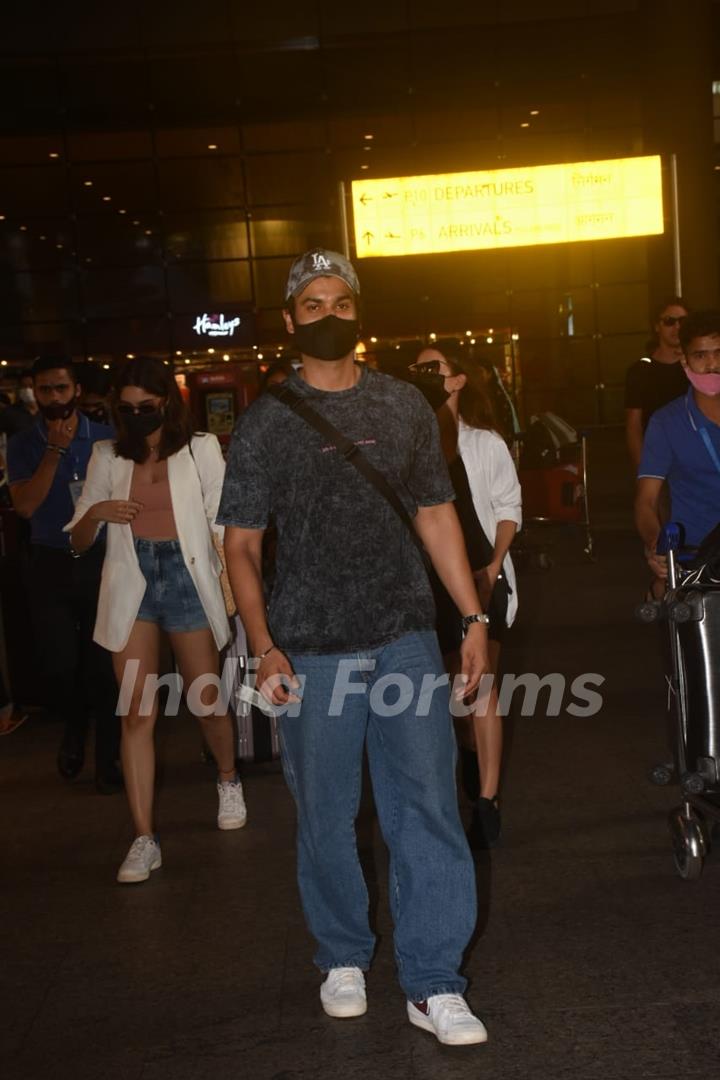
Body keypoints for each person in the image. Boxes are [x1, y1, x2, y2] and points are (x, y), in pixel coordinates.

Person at [220, 248, 491, 1047]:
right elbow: (239, 544)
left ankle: (434, 981)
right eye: (313, 305)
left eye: (342, 303)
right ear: (291, 319)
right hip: (311, 648)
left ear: (359, 311)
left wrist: (472, 621)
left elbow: (437, 514)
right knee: (327, 814)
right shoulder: (268, 420)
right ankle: (342, 955)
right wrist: (264, 647)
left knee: (429, 810)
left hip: (406, 633)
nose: (330, 316)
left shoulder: (405, 404)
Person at [66, 356, 245, 883]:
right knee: (136, 712)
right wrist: (96, 514)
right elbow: (76, 539)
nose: (137, 415)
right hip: (133, 582)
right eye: (126, 409)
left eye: (146, 406)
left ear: (166, 402)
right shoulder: (106, 455)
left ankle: (228, 778)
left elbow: (226, 523)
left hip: (189, 579)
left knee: (206, 700)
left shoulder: (201, 449)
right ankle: (144, 837)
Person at [410, 344, 521, 849]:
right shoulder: (410, 445)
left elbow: (508, 507)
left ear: (457, 381)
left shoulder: (484, 442)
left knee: (482, 688)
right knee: (451, 695)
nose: (423, 375)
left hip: (480, 575)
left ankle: (489, 798)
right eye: (417, 369)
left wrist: (495, 566)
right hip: (429, 580)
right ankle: (471, 771)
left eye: (433, 368)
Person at [7, 355, 121, 791]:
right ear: (34, 392)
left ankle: (108, 761)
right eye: (45, 389)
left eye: (61, 388)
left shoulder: (106, 439)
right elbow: (25, 506)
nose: (54, 397)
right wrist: (54, 451)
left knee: (104, 666)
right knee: (59, 665)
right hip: (49, 561)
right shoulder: (22, 443)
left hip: (100, 559)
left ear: (76, 389)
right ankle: (74, 724)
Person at [635, 310, 720, 577]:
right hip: (695, 557)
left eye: (719, 352)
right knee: (669, 601)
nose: (712, 364)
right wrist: (656, 545)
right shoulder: (666, 422)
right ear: (684, 359)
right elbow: (646, 501)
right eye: (700, 355)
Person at [625, 297, 690, 470]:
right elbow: (633, 425)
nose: (677, 327)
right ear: (657, 327)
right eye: (670, 321)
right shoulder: (640, 371)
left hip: (696, 456)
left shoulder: (698, 365)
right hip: (658, 456)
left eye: (683, 321)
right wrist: (643, 470)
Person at [0, 369, 39, 439]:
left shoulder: (48, 412)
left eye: (31, 386)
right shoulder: (8, 412)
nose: (27, 390)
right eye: (23, 386)